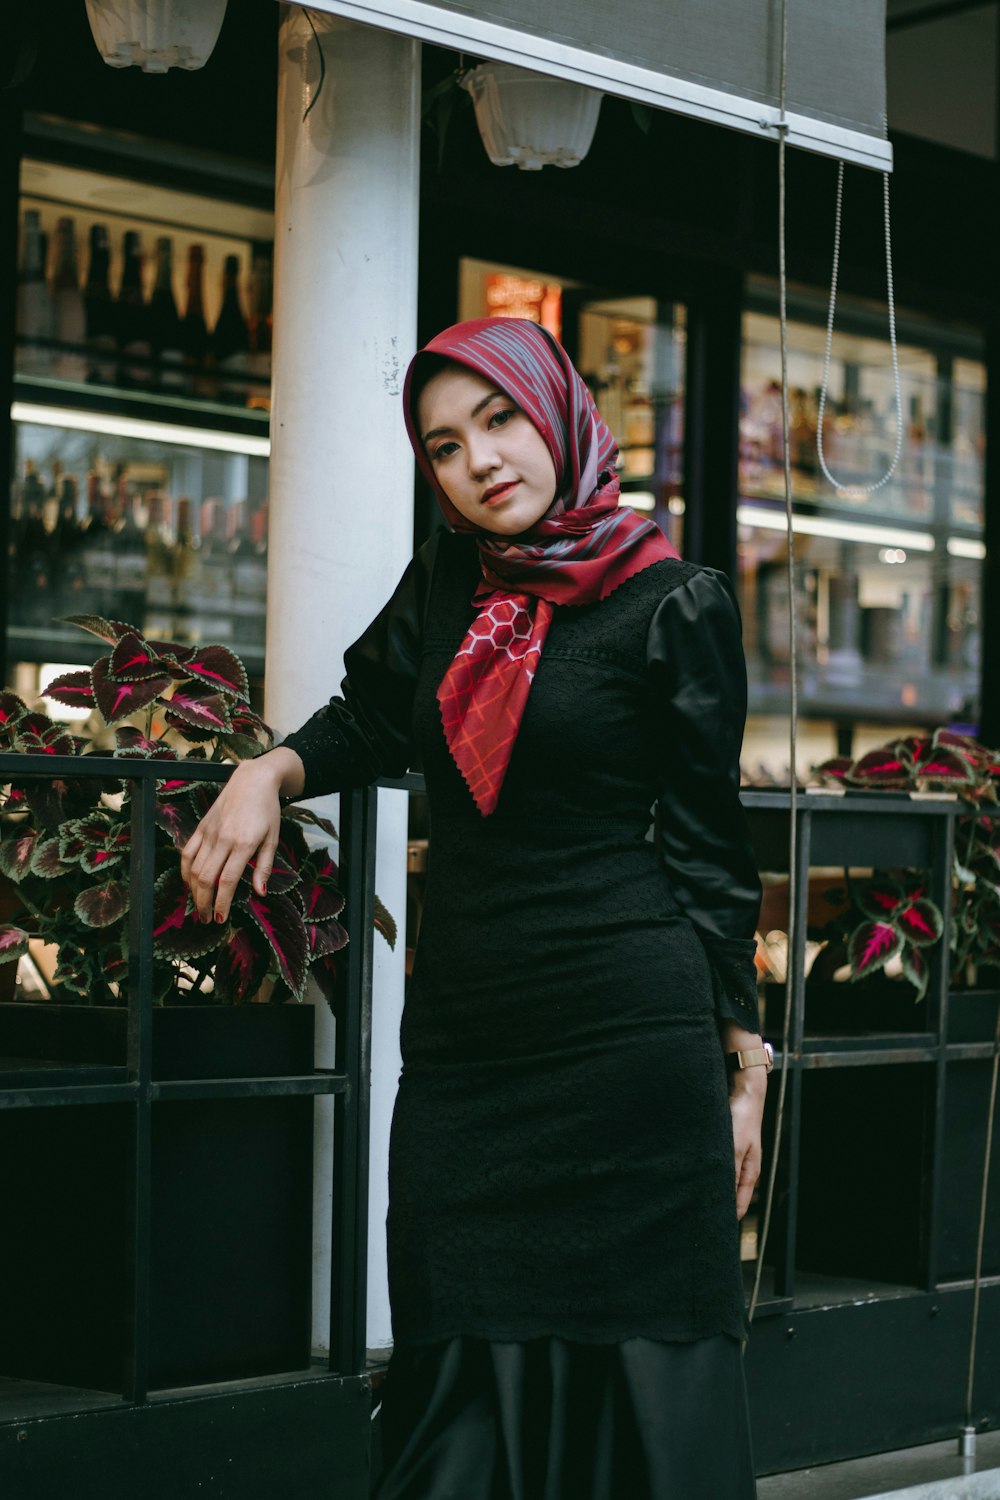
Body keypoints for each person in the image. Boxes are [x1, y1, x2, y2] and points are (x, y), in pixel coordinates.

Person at [180, 317, 767, 1499]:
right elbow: (369, 716)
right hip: (469, 1043)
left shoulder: (675, 601)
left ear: (556, 411)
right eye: (444, 445)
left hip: (628, 1040)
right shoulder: (454, 575)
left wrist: (745, 1063)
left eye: (498, 420)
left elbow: (709, 849)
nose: (480, 460)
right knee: (453, 1369)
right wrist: (265, 771)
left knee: (639, 1385)